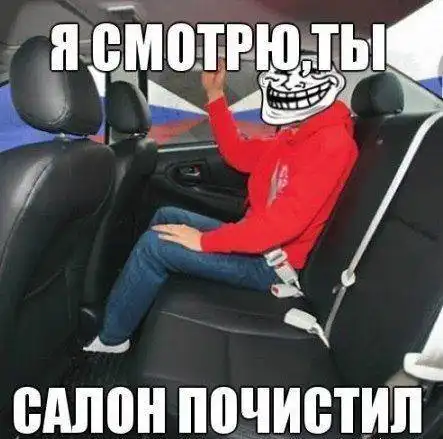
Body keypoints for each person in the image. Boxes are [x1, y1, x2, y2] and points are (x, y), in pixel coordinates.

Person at [83, 59, 359, 353]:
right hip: (263, 247)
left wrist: (204, 242)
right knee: (166, 216)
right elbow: (238, 154)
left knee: (155, 246)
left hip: (273, 266)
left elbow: (282, 225)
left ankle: (112, 339)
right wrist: (215, 95)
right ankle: (136, 298)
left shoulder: (331, 144)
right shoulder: (295, 134)